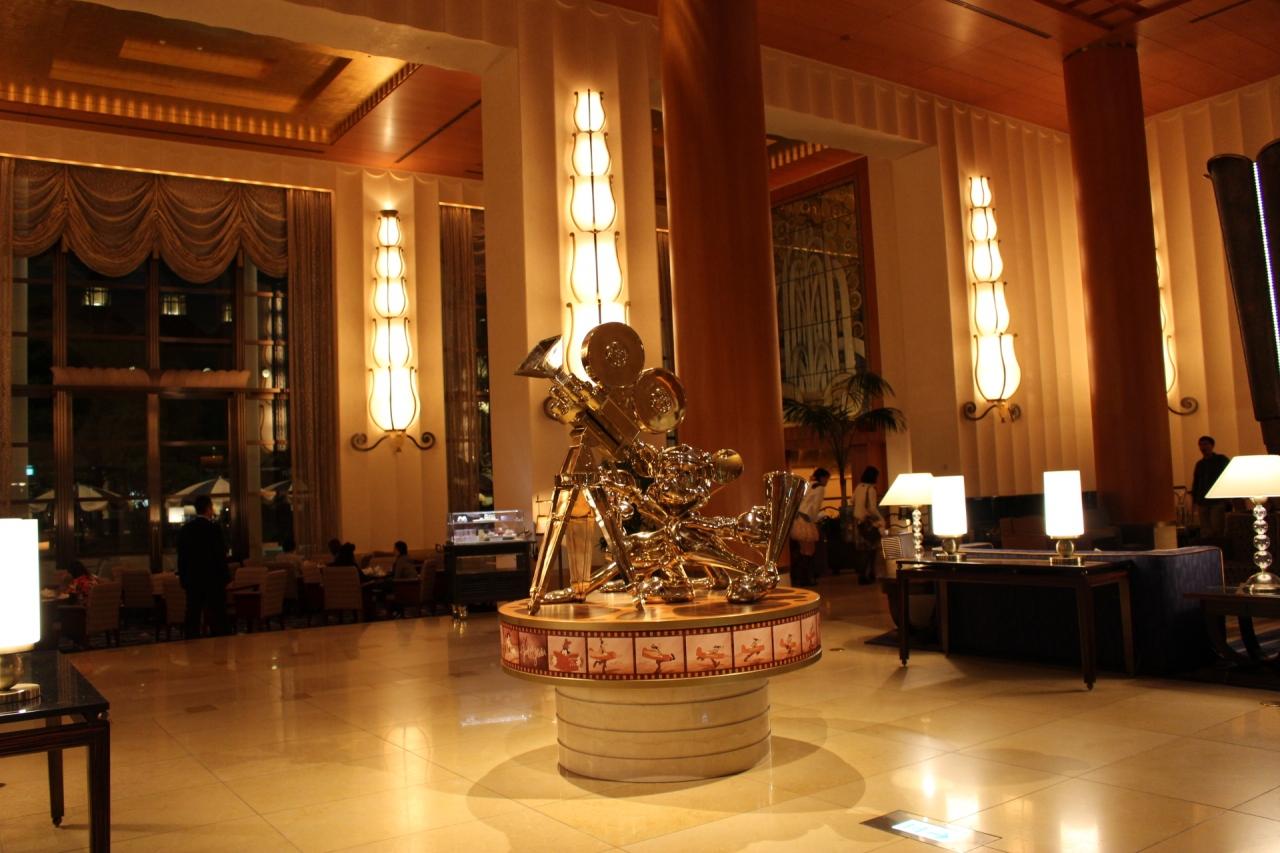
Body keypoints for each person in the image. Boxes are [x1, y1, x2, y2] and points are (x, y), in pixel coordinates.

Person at [177, 495, 230, 637]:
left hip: (193, 578)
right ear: (208, 508)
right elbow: (220, 555)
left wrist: (183, 577)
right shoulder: (214, 529)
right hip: (213, 579)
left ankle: (191, 641)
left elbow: (182, 556)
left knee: (193, 612)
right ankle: (219, 642)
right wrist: (225, 577)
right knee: (216, 613)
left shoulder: (186, 529)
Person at [789, 468, 830, 587]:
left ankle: (800, 577)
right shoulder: (820, 488)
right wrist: (815, 519)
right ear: (822, 478)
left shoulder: (809, 485)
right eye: (827, 478)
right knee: (809, 551)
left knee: (802, 550)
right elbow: (815, 506)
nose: (827, 481)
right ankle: (805, 578)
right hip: (806, 520)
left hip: (797, 519)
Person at [1191, 435, 1231, 539]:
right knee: (1205, 530)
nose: (1203, 447)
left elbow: (1229, 475)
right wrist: (1194, 501)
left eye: (1205, 444)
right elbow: (1196, 482)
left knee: (1217, 528)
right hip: (1202, 501)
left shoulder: (1221, 460)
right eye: (1200, 445)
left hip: (1217, 500)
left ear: (1212, 446)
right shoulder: (1199, 464)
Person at [851, 466, 885, 584]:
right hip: (868, 523)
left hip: (858, 522)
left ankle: (862, 575)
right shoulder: (871, 489)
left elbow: (852, 500)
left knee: (862, 551)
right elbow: (872, 508)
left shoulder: (859, 487)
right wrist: (881, 519)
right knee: (871, 550)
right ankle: (869, 574)